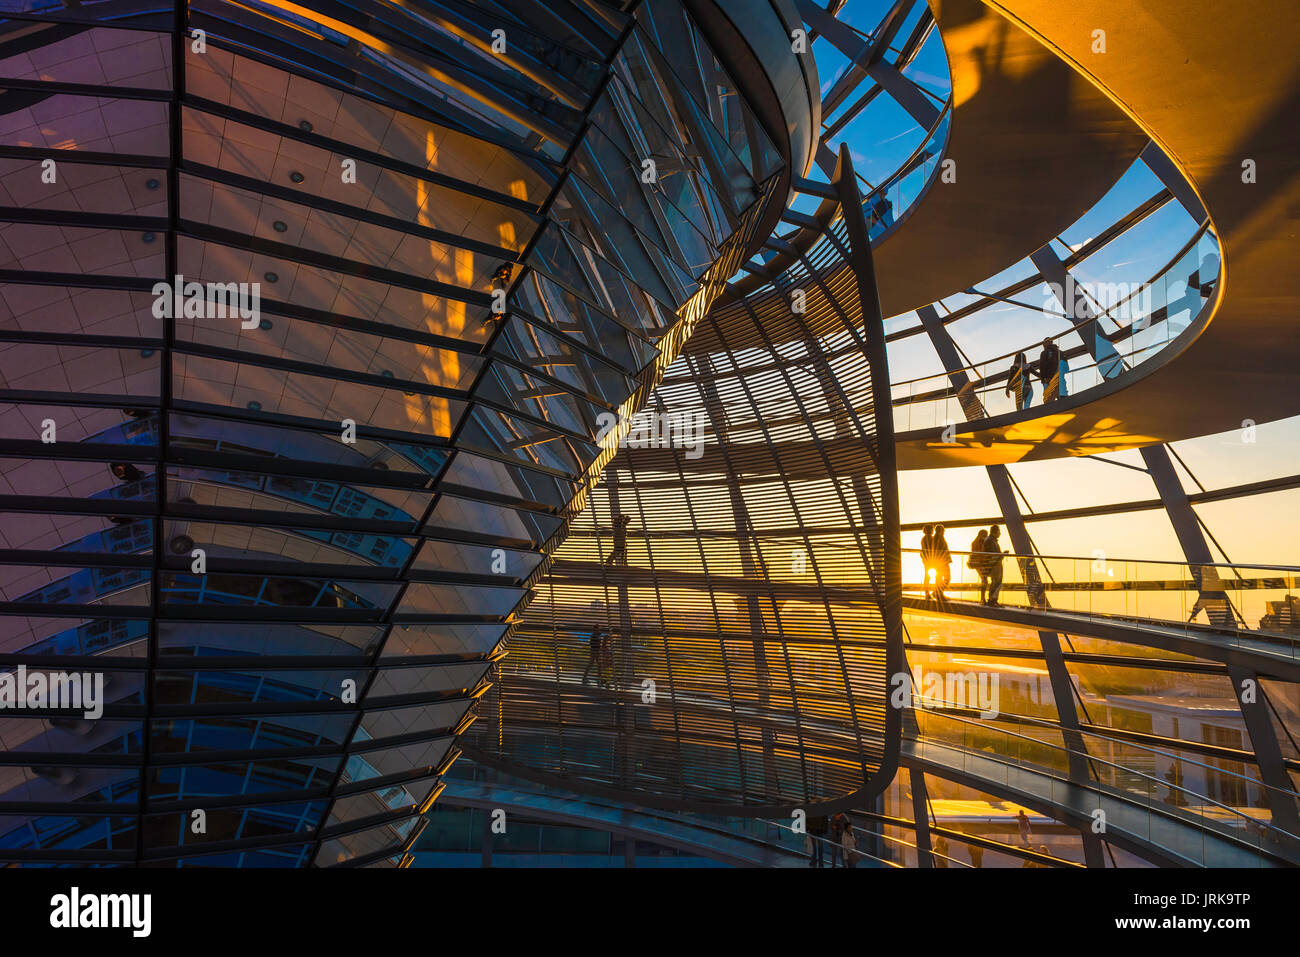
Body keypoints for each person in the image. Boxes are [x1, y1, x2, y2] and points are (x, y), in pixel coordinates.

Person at [983, 525, 1006, 607]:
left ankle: (993, 600)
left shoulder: (991, 540)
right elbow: (992, 554)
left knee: (996, 582)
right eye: (999, 531)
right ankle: (992, 600)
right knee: (996, 582)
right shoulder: (990, 541)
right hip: (994, 565)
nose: (1000, 533)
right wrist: (1002, 554)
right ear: (995, 532)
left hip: (995, 565)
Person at [1038, 337, 1062, 401]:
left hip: (1047, 379)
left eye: (1044, 342)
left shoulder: (1044, 352)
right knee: (1059, 396)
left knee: (1048, 399)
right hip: (1057, 377)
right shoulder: (1058, 352)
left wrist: (1043, 378)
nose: (1043, 344)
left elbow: (1043, 365)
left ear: (1049, 343)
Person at [969, 528, 989, 604]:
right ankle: (982, 599)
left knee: (984, 580)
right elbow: (979, 553)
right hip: (978, 564)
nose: (985, 537)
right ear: (981, 535)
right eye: (985, 535)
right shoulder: (977, 543)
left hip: (979, 564)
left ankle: (982, 598)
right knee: (984, 580)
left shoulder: (978, 542)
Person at [932, 524, 951, 602]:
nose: (944, 532)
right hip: (942, 562)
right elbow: (941, 550)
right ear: (940, 530)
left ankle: (938, 593)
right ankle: (938, 593)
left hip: (939, 562)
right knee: (947, 577)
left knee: (939, 578)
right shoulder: (938, 538)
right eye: (943, 530)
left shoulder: (936, 538)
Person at [920, 524, 936, 599]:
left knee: (927, 576)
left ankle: (927, 593)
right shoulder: (930, 538)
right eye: (932, 529)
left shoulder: (924, 539)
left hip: (926, 559)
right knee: (931, 576)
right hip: (930, 559)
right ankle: (932, 592)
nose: (933, 530)